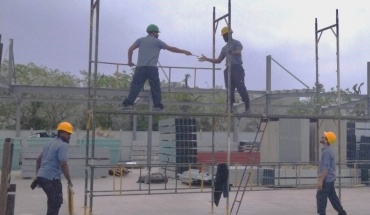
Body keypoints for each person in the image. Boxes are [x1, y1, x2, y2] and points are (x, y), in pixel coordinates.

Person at [122, 24, 193, 111]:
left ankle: (128, 104)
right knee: (155, 86)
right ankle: (157, 106)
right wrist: (184, 51)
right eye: (157, 33)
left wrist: (129, 61)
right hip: (152, 68)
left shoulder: (140, 40)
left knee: (136, 86)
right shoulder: (157, 42)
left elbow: (130, 49)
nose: (158, 35)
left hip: (140, 68)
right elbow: (171, 48)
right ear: (154, 32)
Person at [198, 26, 250, 113]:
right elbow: (218, 60)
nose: (223, 38)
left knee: (240, 87)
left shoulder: (237, 43)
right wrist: (207, 59)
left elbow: (238, 52)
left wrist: (232, 52)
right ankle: (229, 108)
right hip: (228, 69)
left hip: (237, 68)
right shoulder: (224, 48)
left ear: (229, 35)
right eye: (223, 36)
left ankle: (247, 107)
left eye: (224, 36)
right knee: (229, 90)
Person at [36, 121, 74, 215]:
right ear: (62, 133)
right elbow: (64, 164)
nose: (69, 136)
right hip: (52, 179)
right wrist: (69, 180)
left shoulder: (49, 143)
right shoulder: (63, 145)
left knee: (52, 203)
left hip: (43, 177)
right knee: (56, 202)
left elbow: (38, 160)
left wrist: (38, 177)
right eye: (68, 134)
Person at [316, 131, 347, 215]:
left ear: (326, 140)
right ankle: (342, 212)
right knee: (333, 197)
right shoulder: (328, 151)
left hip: (326, 179)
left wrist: (320, 180)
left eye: (323, 137)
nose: (322, 138)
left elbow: (326, 167)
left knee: (321, 198)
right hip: (330, 179)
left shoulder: (326, 152)